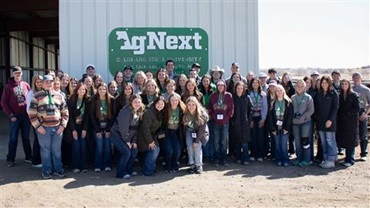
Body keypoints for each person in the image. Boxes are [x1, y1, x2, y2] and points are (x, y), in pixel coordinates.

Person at [28, 75, 69, 179]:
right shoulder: (36, 96)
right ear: (42, 84)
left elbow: (65, 112)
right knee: (45, 150)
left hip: (57, 128)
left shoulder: (59, 96)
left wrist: (63, 126)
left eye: (51, 82)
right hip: (43, 128)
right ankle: (46, 171)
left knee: (57, 150)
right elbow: (31, 113)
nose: (49, 84)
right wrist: (38, 127)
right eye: (46, 82)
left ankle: (58, 170)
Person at [1, 66, 32, 167]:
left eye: (19, 73)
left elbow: (31, 99)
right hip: (14, 117)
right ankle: (10, 159)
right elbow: (3, 103)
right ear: (13, 74)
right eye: (16, 73)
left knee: (26, 138)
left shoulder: (26, 85)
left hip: (25, 116)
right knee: (13, 138)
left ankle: (28, 157)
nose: (18, 75)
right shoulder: (8, 87)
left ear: (22, 74)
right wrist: (11, 115)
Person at [110, 95, 145, 179]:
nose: (137, 104)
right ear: (131, 102)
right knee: (126, 152)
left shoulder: (138, 112)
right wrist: (127, 141)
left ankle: (128, 169)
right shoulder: (126, 111)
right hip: (117, 135)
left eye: (139, 102)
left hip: (129, 137)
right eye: (135, 102)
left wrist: (134, 141)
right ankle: (120, 172)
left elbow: (136, 129)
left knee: (134, 151)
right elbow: (123, 128)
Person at [137, 96, 166, 176]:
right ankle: (147, 170)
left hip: (151, 135)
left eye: (162, 104)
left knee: (156, 149)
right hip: (143, 137)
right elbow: (145, 128)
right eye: (158, 103)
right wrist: (150, 141)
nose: (160, 105)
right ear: (154, 103)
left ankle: (151, 168)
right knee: (154, 150)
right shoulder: (149, 112)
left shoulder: (159, 112)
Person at [315, 76, 339, 168]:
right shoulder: (319, 94)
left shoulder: (333, 94)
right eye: (322, 82)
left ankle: (331, 160)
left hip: (330, 122)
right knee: (323, 142)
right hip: (320, 122)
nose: (324, 84)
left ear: (329, 83)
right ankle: (326, 158)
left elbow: (335, 108)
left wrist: (330, 120)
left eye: (326, 82)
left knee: (330, 141)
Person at [90, 83, 114, 172]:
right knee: (99, 146)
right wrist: (97, 130)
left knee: (107, 146)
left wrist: (108, 129)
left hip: (107, 126)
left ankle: (107, 164)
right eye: (100, 89)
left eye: (104, 89)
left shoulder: (111, 100)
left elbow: (113, 116)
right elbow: (92, 116)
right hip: (97, 127)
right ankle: (98, 165)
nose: (102, 91)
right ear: (97, 90)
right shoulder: (93, 100)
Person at [209, 79, 234, 166]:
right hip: (215, 122)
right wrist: (214, 117)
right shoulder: (213, 96)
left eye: (222, 85)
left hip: (225, 122)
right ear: (216, 87)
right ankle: (216, 158)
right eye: (218, 85)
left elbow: (231, 109)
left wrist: (226, 117)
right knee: (216, 140)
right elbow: (210, 109)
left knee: (224, 141)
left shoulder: (228, 96)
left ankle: (223, 159)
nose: (220, 87)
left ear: (224, 86)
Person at [268, 84, 294, 166]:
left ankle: (285, 160)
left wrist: (287, 128)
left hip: (285, 127)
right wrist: (272, 129)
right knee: (277, 145)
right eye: (277, 91)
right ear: (275, 92)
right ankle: (278, 159)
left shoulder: (288, 102)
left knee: (283, 145)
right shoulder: (272, 102)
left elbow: (290, 116)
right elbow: (270, 117)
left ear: (283, 91)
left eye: (280, 90)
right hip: (276, 128)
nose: (279, 92)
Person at [337, 79, 360, 167]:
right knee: (345, 140)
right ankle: (346, 158)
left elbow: (357, 108)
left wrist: (347, 113)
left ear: (349, 85)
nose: (344, 86)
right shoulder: (339, 95)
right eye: (342, 84)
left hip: (351, 122)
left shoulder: (353, 95)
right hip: (342, 122)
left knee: (351, 140)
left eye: (346, 84)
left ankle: (350, 159)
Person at [291, 80, 315, 166]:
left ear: (305, 87)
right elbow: (290, 109)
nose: (299, 87)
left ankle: (307, 160)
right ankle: (299, 159)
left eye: (301, 86)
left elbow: (311, 110)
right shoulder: (292, 98)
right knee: (297, 142)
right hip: (295, 123)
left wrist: (303, 116)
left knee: (305, 141)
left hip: (305, 122)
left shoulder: (308, 97)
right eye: (298, 86)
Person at [183, 96, 209, 174]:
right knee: (189, 146)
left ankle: (198, 165)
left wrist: (197, 141)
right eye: (189, 104)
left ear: (196, 105)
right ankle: (192, 165)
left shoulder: (202, 114)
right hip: (190, 131)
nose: (191, 107)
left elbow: (202, 130)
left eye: (193, 104)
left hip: (200, 133)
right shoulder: (185, 114)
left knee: (197, 147)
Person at [68, 83, 90, 173]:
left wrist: (85, 129)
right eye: (80, 89)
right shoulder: (71, 100)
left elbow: (88, 116)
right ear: (77, 90)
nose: (82, 91)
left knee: (83, 146)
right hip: (74, 127)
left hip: (83, 127)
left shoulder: (88, 101)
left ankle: (84, 166)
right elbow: (70, 117)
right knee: (76, 146)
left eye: (84, 90)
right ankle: (75, 166)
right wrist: (73, 130)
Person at [230, 81, 252, 165]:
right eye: (238, 88)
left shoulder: (247, 98)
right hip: (236, 123)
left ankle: (245, 158)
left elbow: (251, 110)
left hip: (245, 123)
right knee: (237, 142)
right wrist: (232, 121)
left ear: (244, 89)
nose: (239, 90)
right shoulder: (233, 98)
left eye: (241, 88)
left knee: (245, 143)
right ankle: (238, 157)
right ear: (235, 89)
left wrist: (249, 121)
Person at [163, 94, 185, 172]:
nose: (174, 102)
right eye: (172, 100)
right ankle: (168, 164)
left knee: (177, 149)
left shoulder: (181, 110)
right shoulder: (166, 109)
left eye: (176, 100)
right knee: (169, 149)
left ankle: (174, 163)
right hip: (168, 131)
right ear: (169, 101)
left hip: (177, 132)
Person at [248, 78, 268, 162]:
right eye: (253, 83)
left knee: (260, 137)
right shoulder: (249, 94)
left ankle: (260, 154)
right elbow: (248, 108)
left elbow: (265, 107)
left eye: (257, 83)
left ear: (259, 84)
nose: (255, 84)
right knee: (253, 136)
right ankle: (253, 154)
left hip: (260, 117)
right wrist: (250, 120)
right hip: (252, 117)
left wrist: (263, 119)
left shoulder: (263, 94)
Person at [352, 72, 370, 161]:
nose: (355, 79)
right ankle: (351, 153)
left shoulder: (366, 90)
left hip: (362, 111)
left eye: (357, 77)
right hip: (352, 113)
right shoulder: (350, 89)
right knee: (352, 133)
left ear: (361, 78)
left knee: (363, 133)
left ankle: (363, 153)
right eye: (354, 78)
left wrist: (366, 114)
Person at [26, 75, 43, 168]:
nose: (39, 83)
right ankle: (36, 161)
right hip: (35, 120)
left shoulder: (43, 92)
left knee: (42, 140)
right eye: (38, 82)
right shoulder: (31, 93)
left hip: (43, 120)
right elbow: (28, 109)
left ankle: (41, 159)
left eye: (41, 81)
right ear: (34, 83)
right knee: (37, 140)